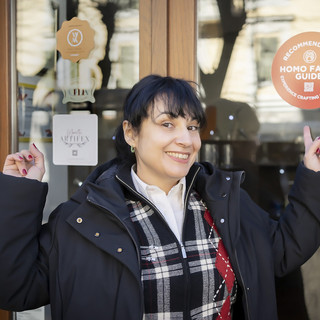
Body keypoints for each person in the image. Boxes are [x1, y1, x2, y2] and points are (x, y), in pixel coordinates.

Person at [0, 75, 320, 320]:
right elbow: (16, 289)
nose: (185, 139)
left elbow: (282, 250)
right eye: (167, 124)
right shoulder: (83, 218)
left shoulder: (222, 200)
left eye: (192, 127)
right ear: (131, 133)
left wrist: (312, 173)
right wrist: (20, 192)